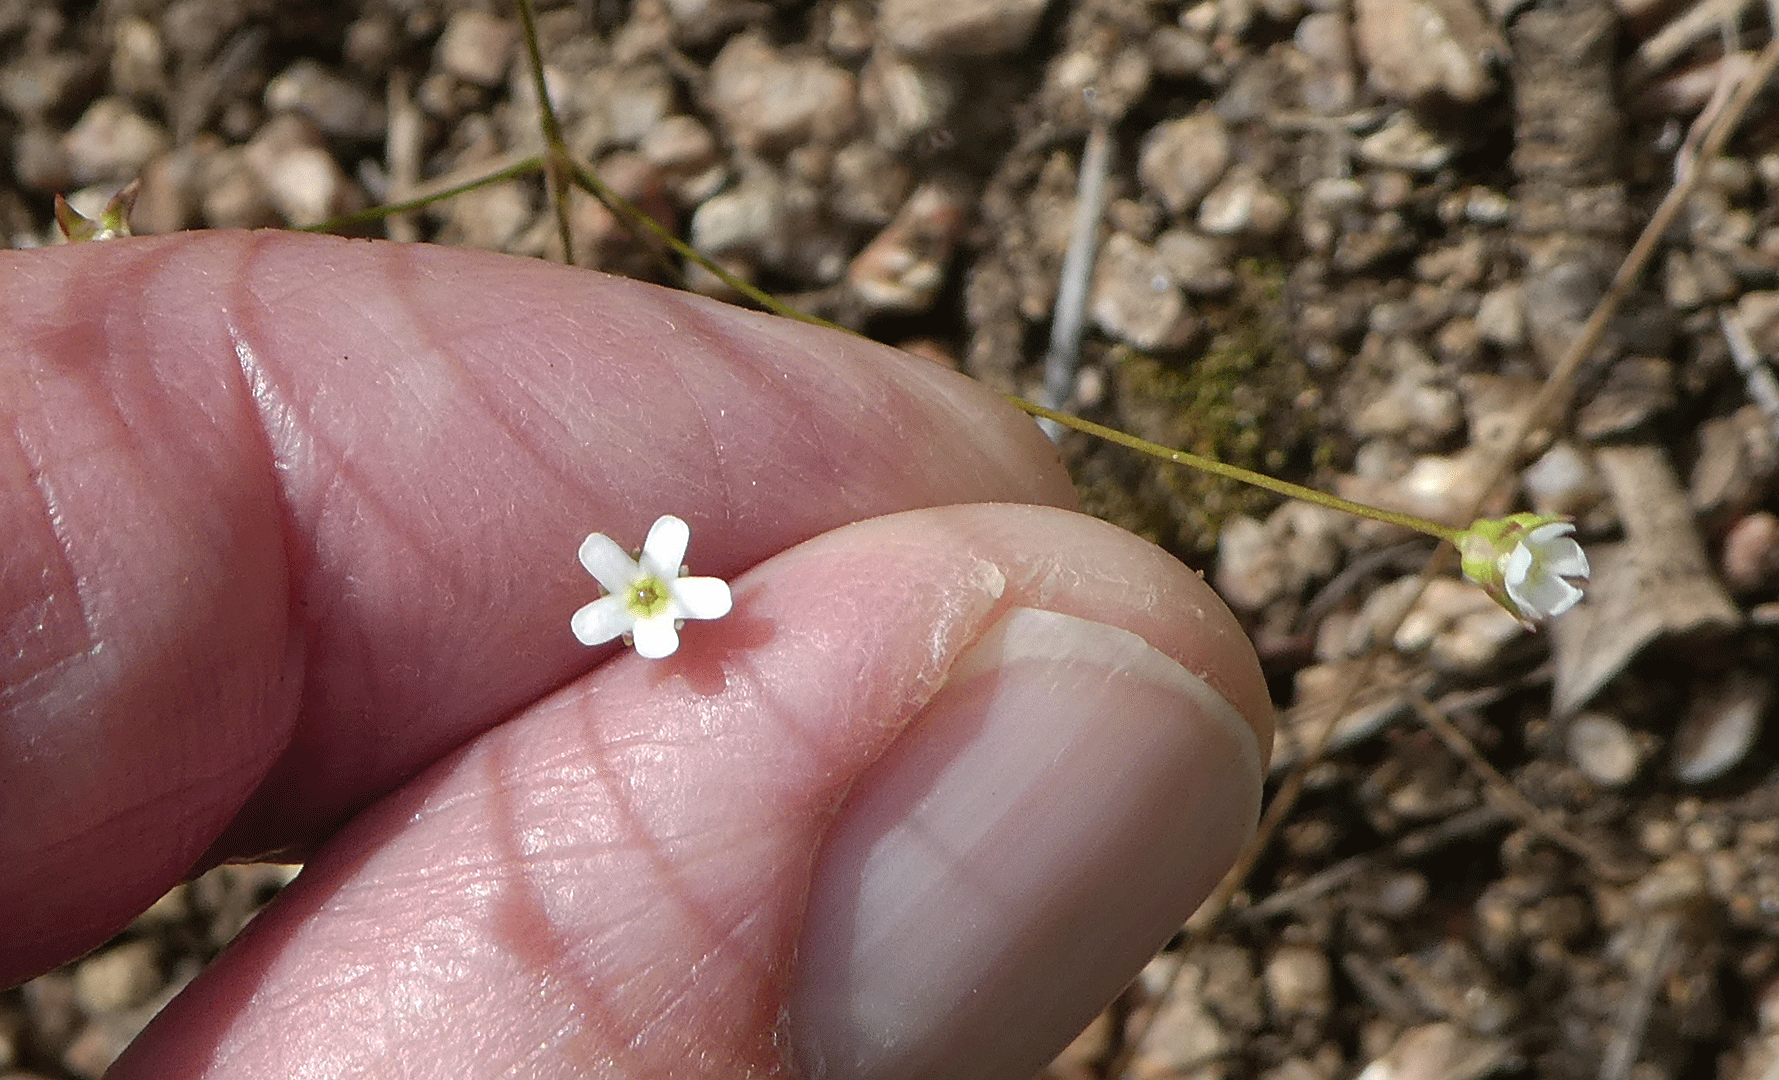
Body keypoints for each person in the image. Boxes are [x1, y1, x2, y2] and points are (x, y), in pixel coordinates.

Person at [0, 230, 1272, 1079]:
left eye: (654, 587)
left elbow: (663, 583)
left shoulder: (661, 585)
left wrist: (668, 599)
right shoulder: (641, 592)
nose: (650, 588)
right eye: (647, 589)